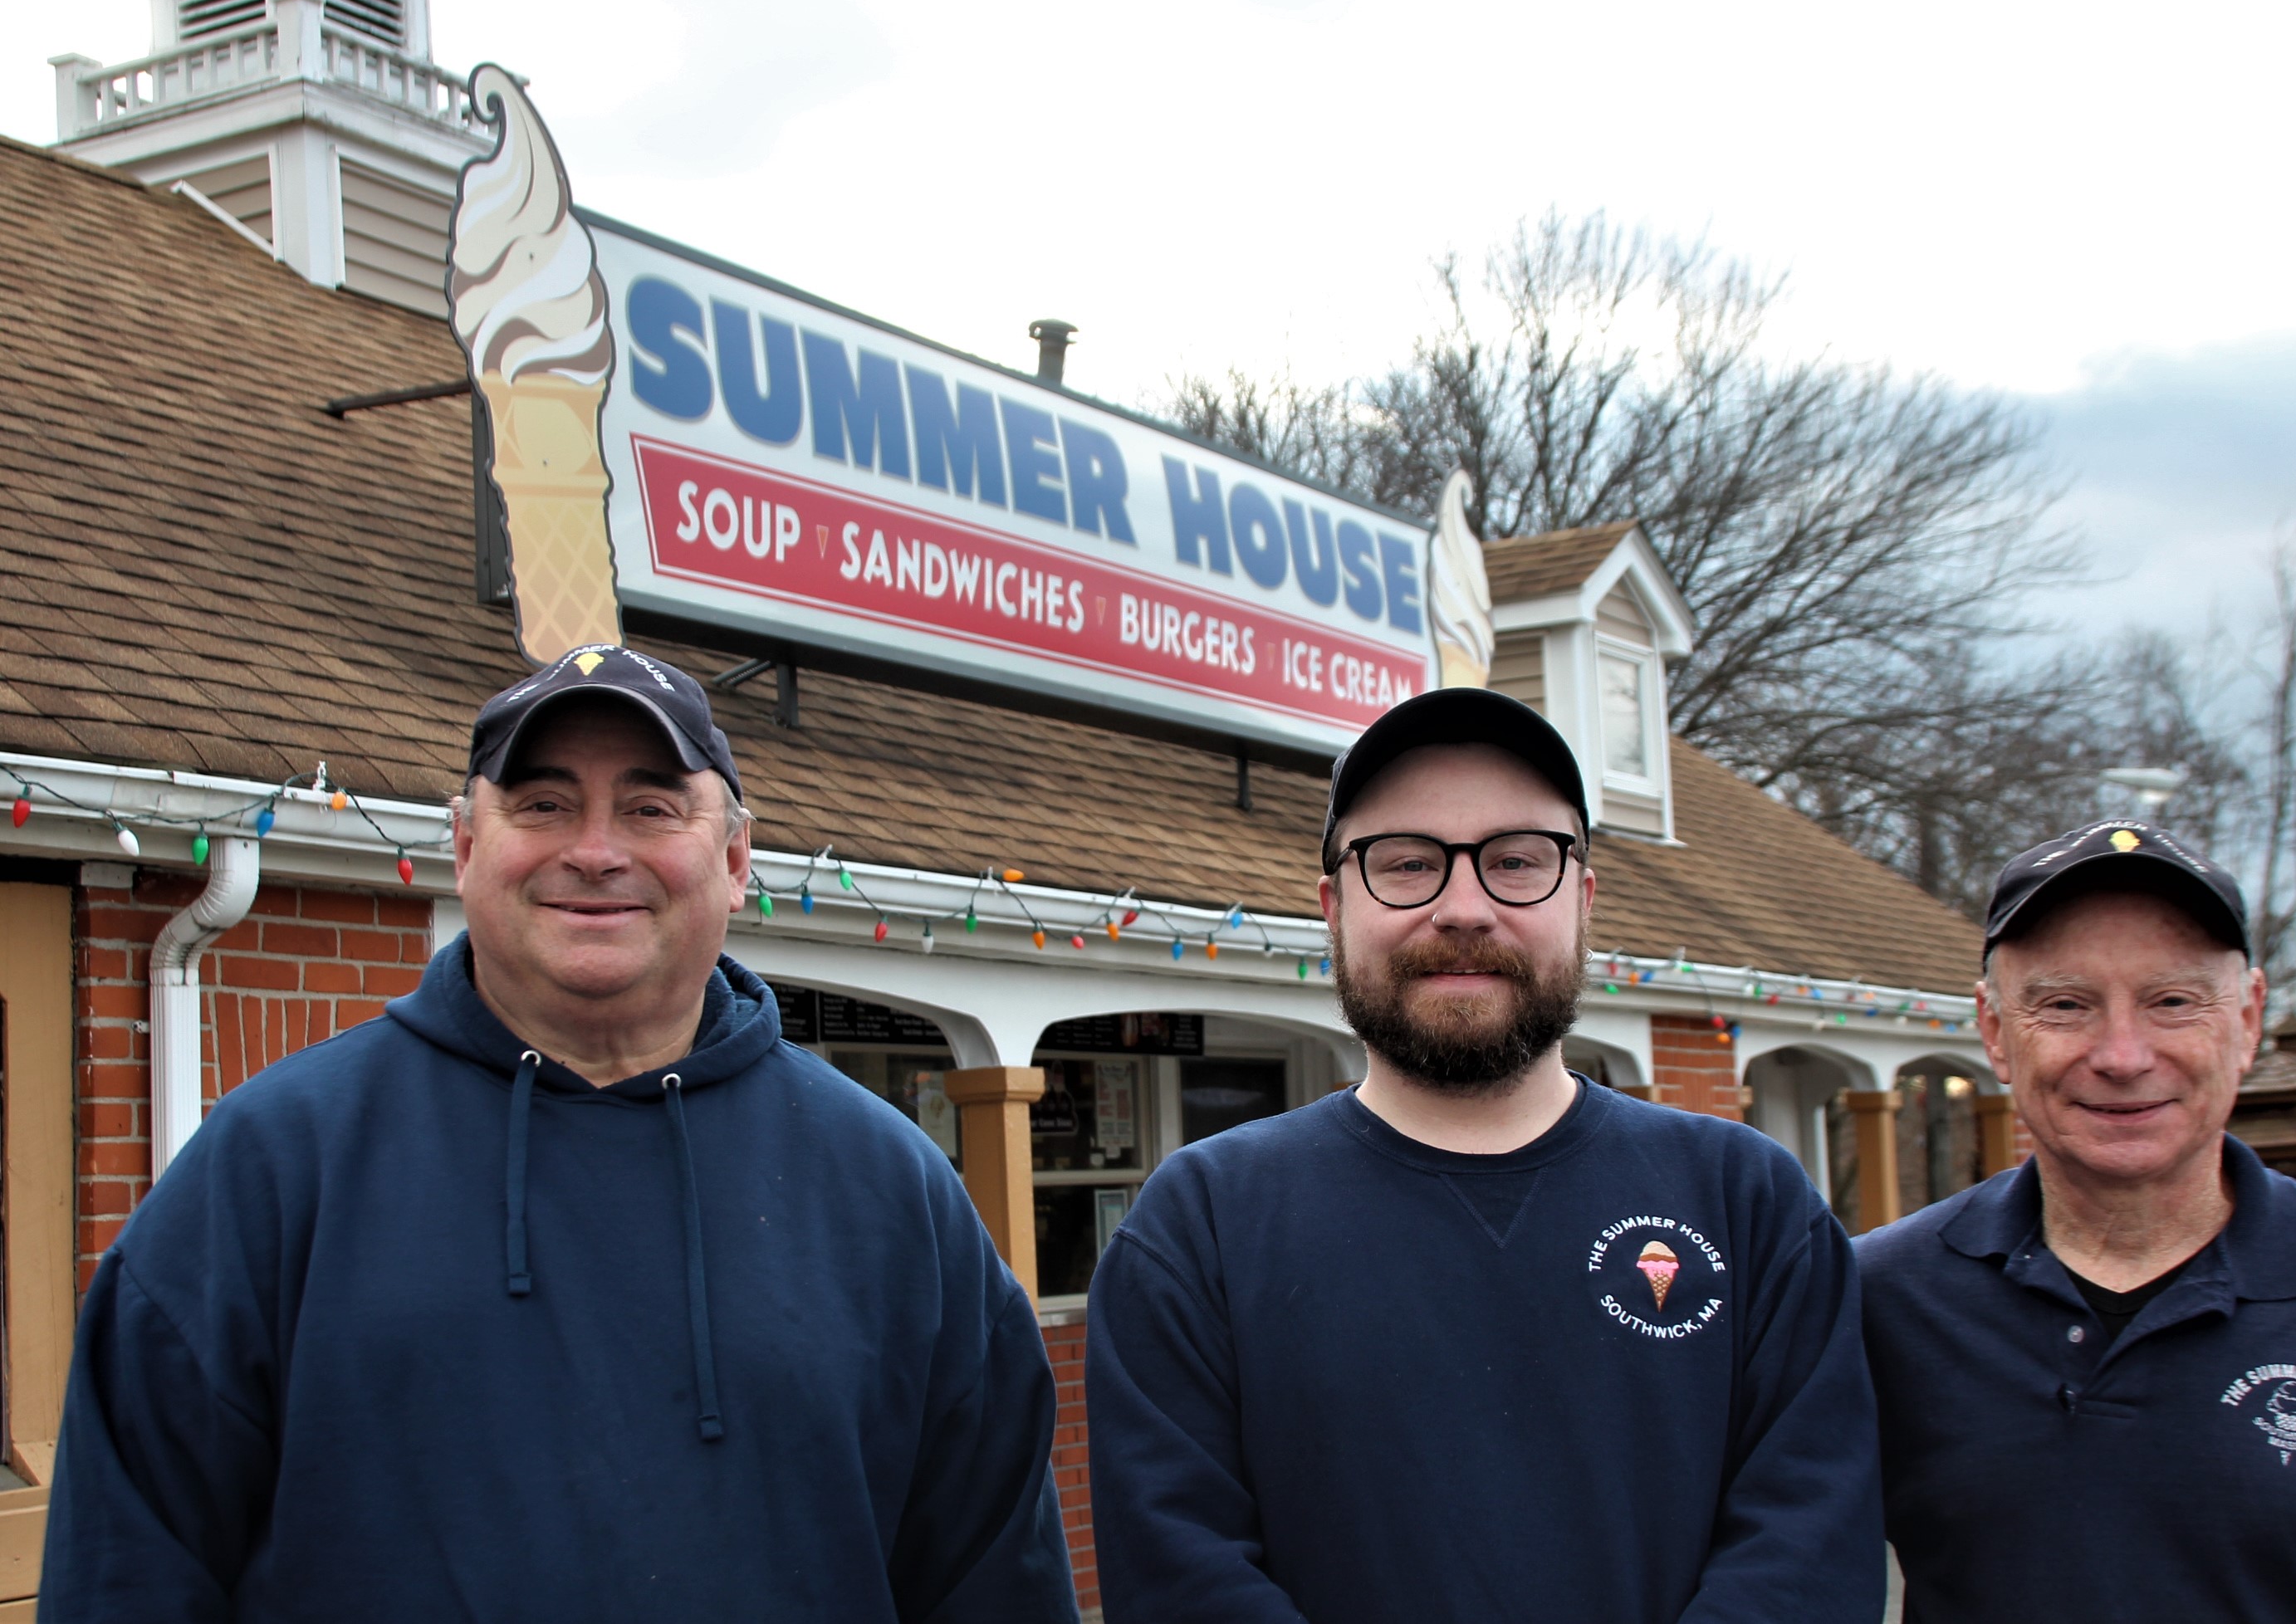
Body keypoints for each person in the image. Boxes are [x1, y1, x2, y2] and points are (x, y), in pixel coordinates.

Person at [42, 646, 1079, 1622]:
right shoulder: (268, 1170)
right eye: (542, 802)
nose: (594, 850)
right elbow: (125, 1575)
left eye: (650, 806)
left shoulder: (890, 1189)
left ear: (733, 857)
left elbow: (995, 1581)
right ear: (463, 844)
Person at [1085, 687, 1883, 1623]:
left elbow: (1807, 1550)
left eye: (1515, 860)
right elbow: (1181, 1578)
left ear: (1582, 898)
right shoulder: (1200, 1226)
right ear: (1332, 906)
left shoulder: (1748, 1201)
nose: (1463, 907)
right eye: (1408, 862)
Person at [1858, 820, 2296, 1622]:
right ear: (1994, 1030)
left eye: (2172, 1002)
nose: (2122, 1055)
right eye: (2064, 1005)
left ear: (2248, 1019)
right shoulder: (1885, 1296)